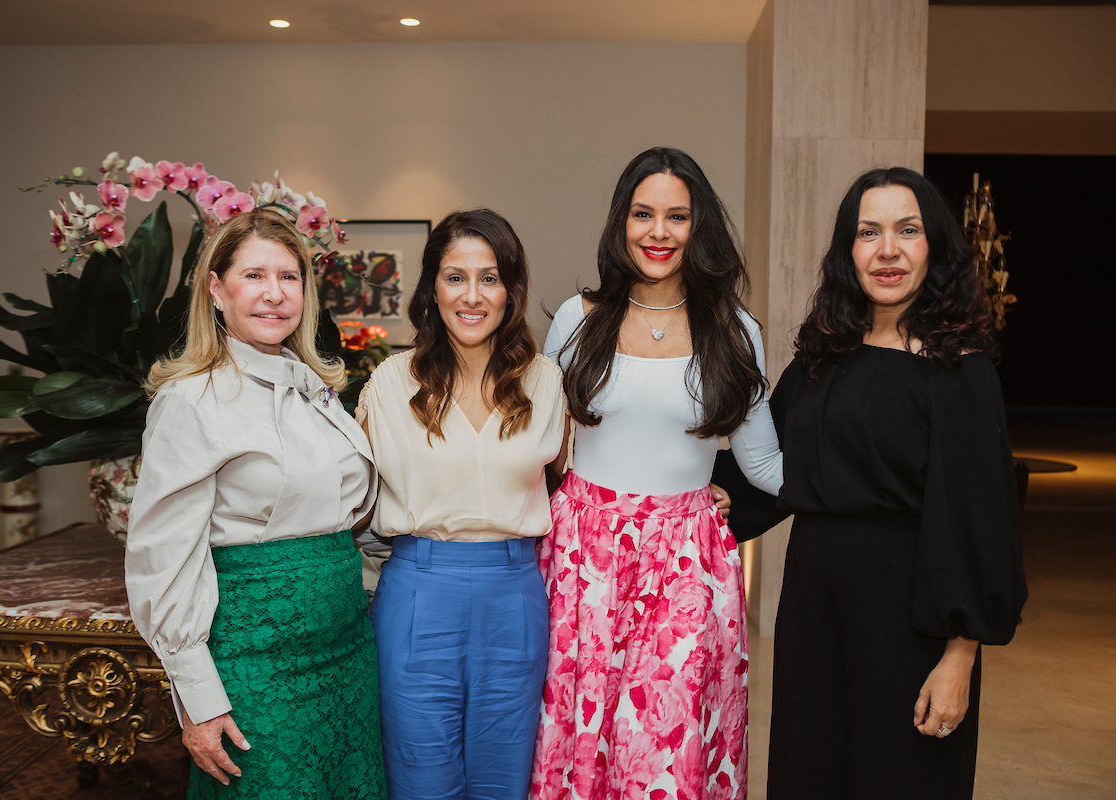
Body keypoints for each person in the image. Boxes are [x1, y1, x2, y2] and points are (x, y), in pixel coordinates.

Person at [756, 167, 1029, 798]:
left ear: (933, 244)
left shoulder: (959, 369)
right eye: (868, 232)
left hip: (912, 615)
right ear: (846, 252)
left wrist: (961, 656)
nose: (887, 250)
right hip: (813, 606)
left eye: (907, 231)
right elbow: (766, 465)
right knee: (809, 772)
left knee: (903, 777)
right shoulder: (824, 356)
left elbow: (983, 522)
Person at [531, 147, 783, 800]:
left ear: (701, 228)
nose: (658, 232)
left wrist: (869, 485)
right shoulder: (576, 319)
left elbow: (762, 462)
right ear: (621, 223)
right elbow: (537, 444)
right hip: (582, 564)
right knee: (575, 746)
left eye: (678, 216)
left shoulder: (736, 330)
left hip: (688, 572)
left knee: (662, 756)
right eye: (643, 214)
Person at [125, 209, 386, 799]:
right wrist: (198, 699)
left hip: (346, 646)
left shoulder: (316, 389)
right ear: (216, 289)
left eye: (289, 277)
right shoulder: (190, 401)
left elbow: (350, 514)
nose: (274, 294)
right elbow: (160, 561)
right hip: (255, 661)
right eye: (254, 276)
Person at [356, 209, 567, 800]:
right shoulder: (389, 384)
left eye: (490, 277)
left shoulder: (546, 382)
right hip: (420, 594)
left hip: (515, 596)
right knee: (421, 779)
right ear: (432, 289)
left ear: (510, 290)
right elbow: (350, 502)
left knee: (503, 782)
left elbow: (576, 483)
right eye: (455, 277)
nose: (472, 296)